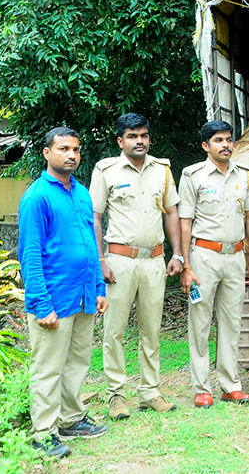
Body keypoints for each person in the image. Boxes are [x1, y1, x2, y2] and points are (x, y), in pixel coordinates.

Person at [19, 127, 109, 458]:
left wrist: (98, 286)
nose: (71, 154)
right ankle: (43, 433)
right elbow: (30, 255)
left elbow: (90, 243)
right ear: (47, 153)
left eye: (75, 149)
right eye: (63, 149)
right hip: (54, 299)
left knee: (77, 363)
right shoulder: (37, 197)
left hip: (84, 295)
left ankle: (72, 418)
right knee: (48, 368)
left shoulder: (82, 193)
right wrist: (41, 306)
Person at [90, 113, 184, 420]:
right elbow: (95, 216)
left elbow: (172, 213)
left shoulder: (163, 169)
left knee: (151, 330)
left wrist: (178, 254)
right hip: (118, 261)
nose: (139, 141)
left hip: (155, 261)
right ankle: (116, 397)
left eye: (143, 135)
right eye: (132, 136)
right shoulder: (106, 170)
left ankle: (150, 392)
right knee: (114, 330)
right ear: (121, 141)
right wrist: (100, 260)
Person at [178, 120, 249, 408]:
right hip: (204, 258)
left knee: (232, 322)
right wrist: (186, 266)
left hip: (236, 257)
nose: (225, 145)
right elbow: (184, 222)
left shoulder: (244, 176)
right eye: (218, 140)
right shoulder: (192, 175)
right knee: (200, 322)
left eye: (228, 139)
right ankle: (202, 388)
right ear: (205, 146)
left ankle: (230, 385)